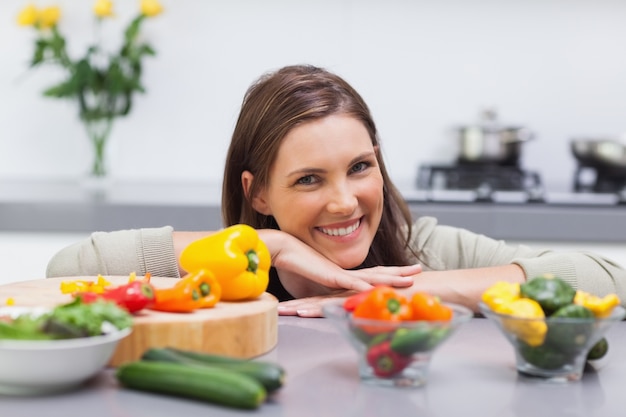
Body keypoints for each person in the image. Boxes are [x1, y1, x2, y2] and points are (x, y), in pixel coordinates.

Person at [47, 64, 626, 317]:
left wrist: (394, 294)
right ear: (258, 194)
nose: (346, 201)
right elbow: (66, 271)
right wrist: (268, 247)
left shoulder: (420, 249)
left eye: (359, 167)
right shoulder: (215, 277)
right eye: (308, 179)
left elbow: (609, 281)